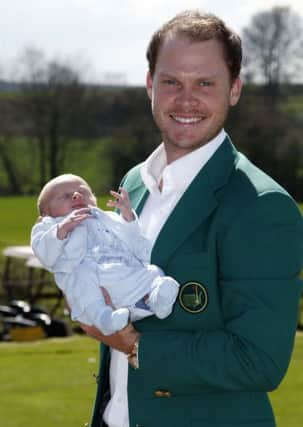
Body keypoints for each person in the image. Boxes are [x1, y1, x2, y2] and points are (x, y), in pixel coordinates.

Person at [84, 10, 303, 427]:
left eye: (205, 83)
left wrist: (132, 345)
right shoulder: (134, 183)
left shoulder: (262, 205)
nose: (186, 100)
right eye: (172, 82)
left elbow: (259, 360)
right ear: (150, 84)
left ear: (234, 89)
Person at [31, 174, 179, 336]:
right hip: (93, 282)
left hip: (124, 272)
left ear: (94, 200)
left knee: (153, 271)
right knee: (83, 274)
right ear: (46, 212)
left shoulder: (109, 218)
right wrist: (62, 229)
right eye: (66, 196)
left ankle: (155, 300)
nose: (77, 195)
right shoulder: (50, 225)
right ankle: (104, 317)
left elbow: (137, 244)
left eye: (84, 192)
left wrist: (128, 217)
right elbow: (45, 255)